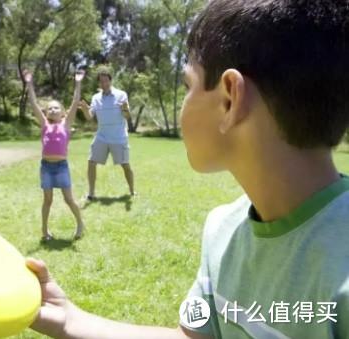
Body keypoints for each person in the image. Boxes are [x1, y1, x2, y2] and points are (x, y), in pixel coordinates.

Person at [26, 0, 349, 337]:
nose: (184, 100)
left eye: (187, 85)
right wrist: (70, 320)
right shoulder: (221, 232)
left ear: (229, 100)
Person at [23, 69, 86, 241]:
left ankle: (80, 223)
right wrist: (29, 83)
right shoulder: (44, 125)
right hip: (46, 167)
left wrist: (78, 82)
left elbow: (75, 102)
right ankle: (45, 231)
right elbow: (34, 103)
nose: (52, 110)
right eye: (49, 108)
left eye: (56, 108)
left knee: (68, 199)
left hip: (61, 167)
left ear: (63, 112)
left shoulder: (66, 125)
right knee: (47, 201)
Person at [79, 68, 135, 200]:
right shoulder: (96, 98)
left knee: (125, 165)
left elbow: (127, 116)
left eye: (106, 80)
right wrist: (85, 109)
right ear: (99, 83)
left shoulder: (121, 95)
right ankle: (91, 193)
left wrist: (125, 109)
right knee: (91, 162)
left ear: (110, 80)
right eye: (101, 81)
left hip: (119, 137)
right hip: (102, 136)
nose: (104, 83)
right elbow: (89, 117)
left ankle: (132, 191)